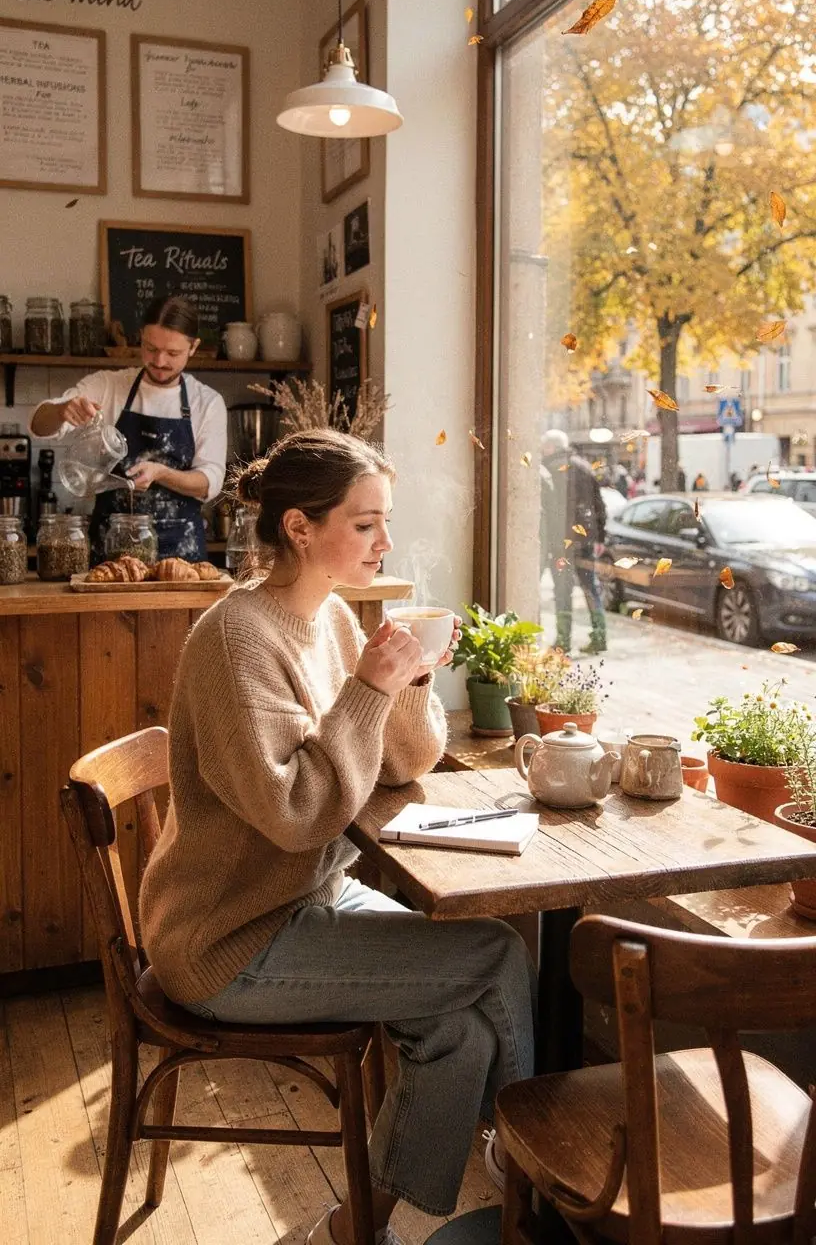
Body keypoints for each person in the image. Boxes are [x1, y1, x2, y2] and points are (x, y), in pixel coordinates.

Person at [138, 429, 536, 1243]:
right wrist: (365, 691)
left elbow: (404, 765)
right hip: (228, 939)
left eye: (385, 520)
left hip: (303, 899)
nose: (386, 541)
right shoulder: (235, 639)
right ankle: (530, 1164)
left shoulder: (331, 621)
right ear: (299, 528)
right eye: (366, 523)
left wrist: (409, 680)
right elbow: (295, 817)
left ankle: (354, 1228)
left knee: (456, 1033)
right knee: (499, 951)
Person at [31, 296, 227, 562]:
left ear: (193, 347)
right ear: (141, 338)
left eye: (172, 353)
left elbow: (209, 482)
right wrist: (62, 409)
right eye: (150, 348)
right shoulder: (109, 385)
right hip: (111, 552)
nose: (159, 361)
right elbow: (40, 425)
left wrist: (161, 473)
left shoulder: (207, 402)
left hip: (182, 555)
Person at [540, 428, 607, 654]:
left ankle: (563, 641)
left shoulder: (549, 469)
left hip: (561, 543)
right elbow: (599, 505)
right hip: (585, 541)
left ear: (551, 447)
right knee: (591, 588)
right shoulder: (584, 467)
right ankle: (600, 636)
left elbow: (548, 512)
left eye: (544, 446)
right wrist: (601, 537)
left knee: (563, 591)